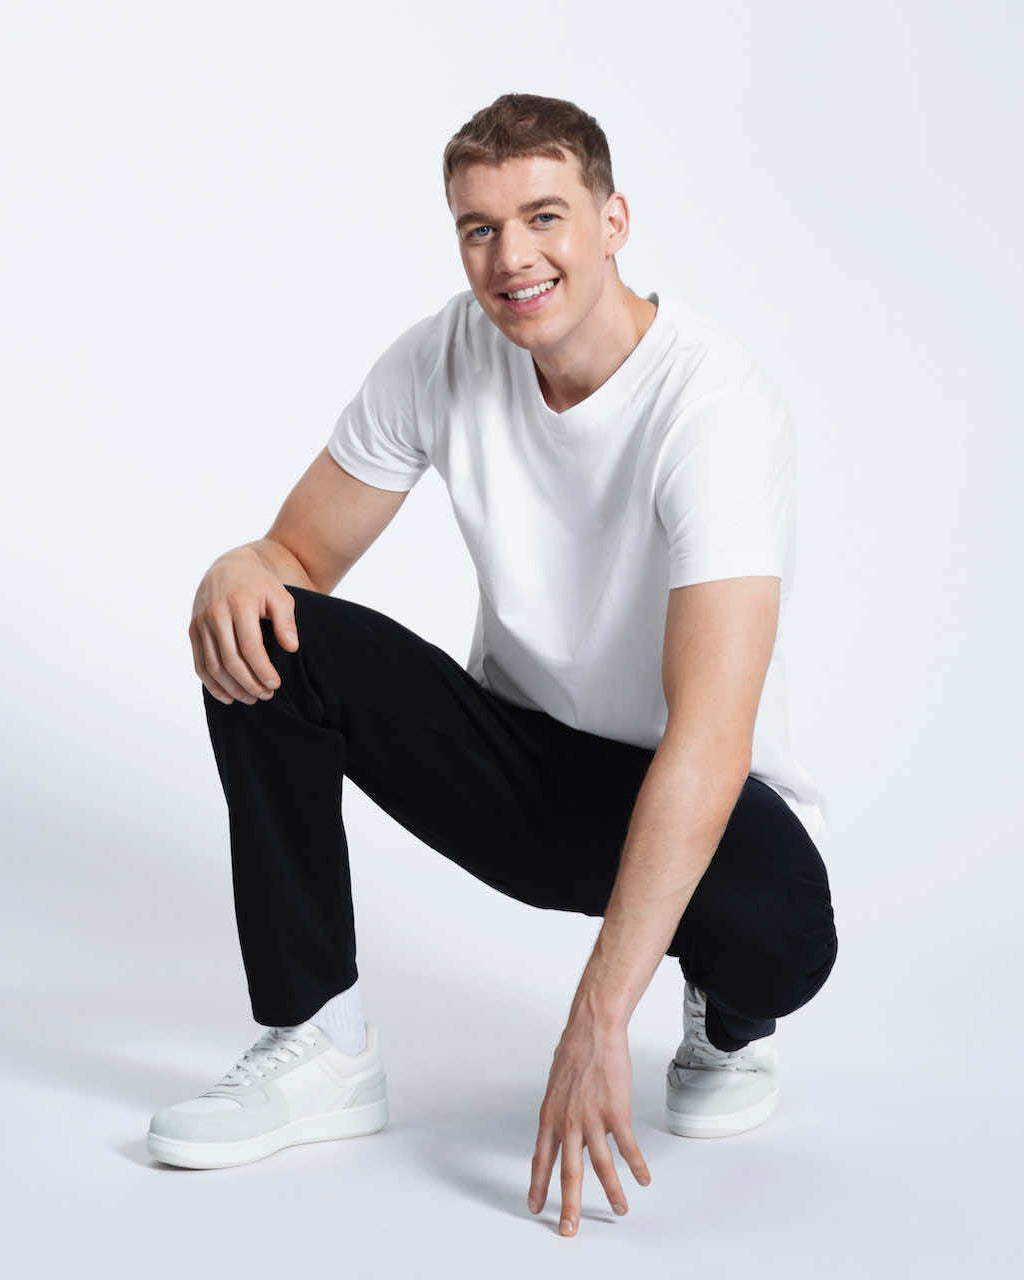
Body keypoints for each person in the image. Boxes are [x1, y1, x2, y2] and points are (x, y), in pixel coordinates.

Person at [147, 92, 838, 1236]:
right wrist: (240, 560)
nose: (511, 257)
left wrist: (599, 1017)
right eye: (479, 227)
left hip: (689, 796)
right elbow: (299, 554)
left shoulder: (711, 408)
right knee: (269, 625)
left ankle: (720, 1014)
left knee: (788, 930)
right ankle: (318, 1036)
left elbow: (711, 738)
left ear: (614, 220)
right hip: (521, 774)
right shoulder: (445, 354)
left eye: (544, 216)